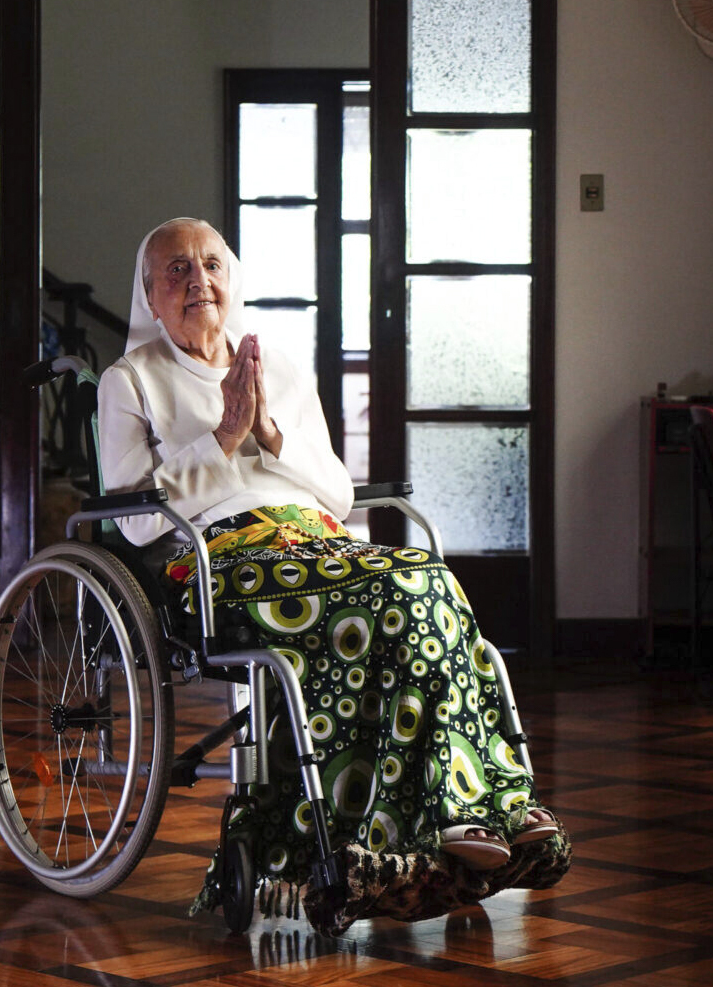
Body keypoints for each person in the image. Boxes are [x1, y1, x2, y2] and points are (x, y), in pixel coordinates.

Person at [96, 218, 567, 935]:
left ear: (234, 277)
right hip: (220, 559)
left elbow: (337, 493)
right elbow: (133, 519)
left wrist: (269, 435)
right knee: (393, 587)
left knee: (421, 577)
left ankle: (481, 804)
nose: (198, 282)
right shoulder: (129, 379)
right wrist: (223, 435)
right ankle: (440, 814)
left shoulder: (277, 366)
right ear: (149, 295)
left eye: (212, 265)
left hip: (314, 542)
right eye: (177, 271)